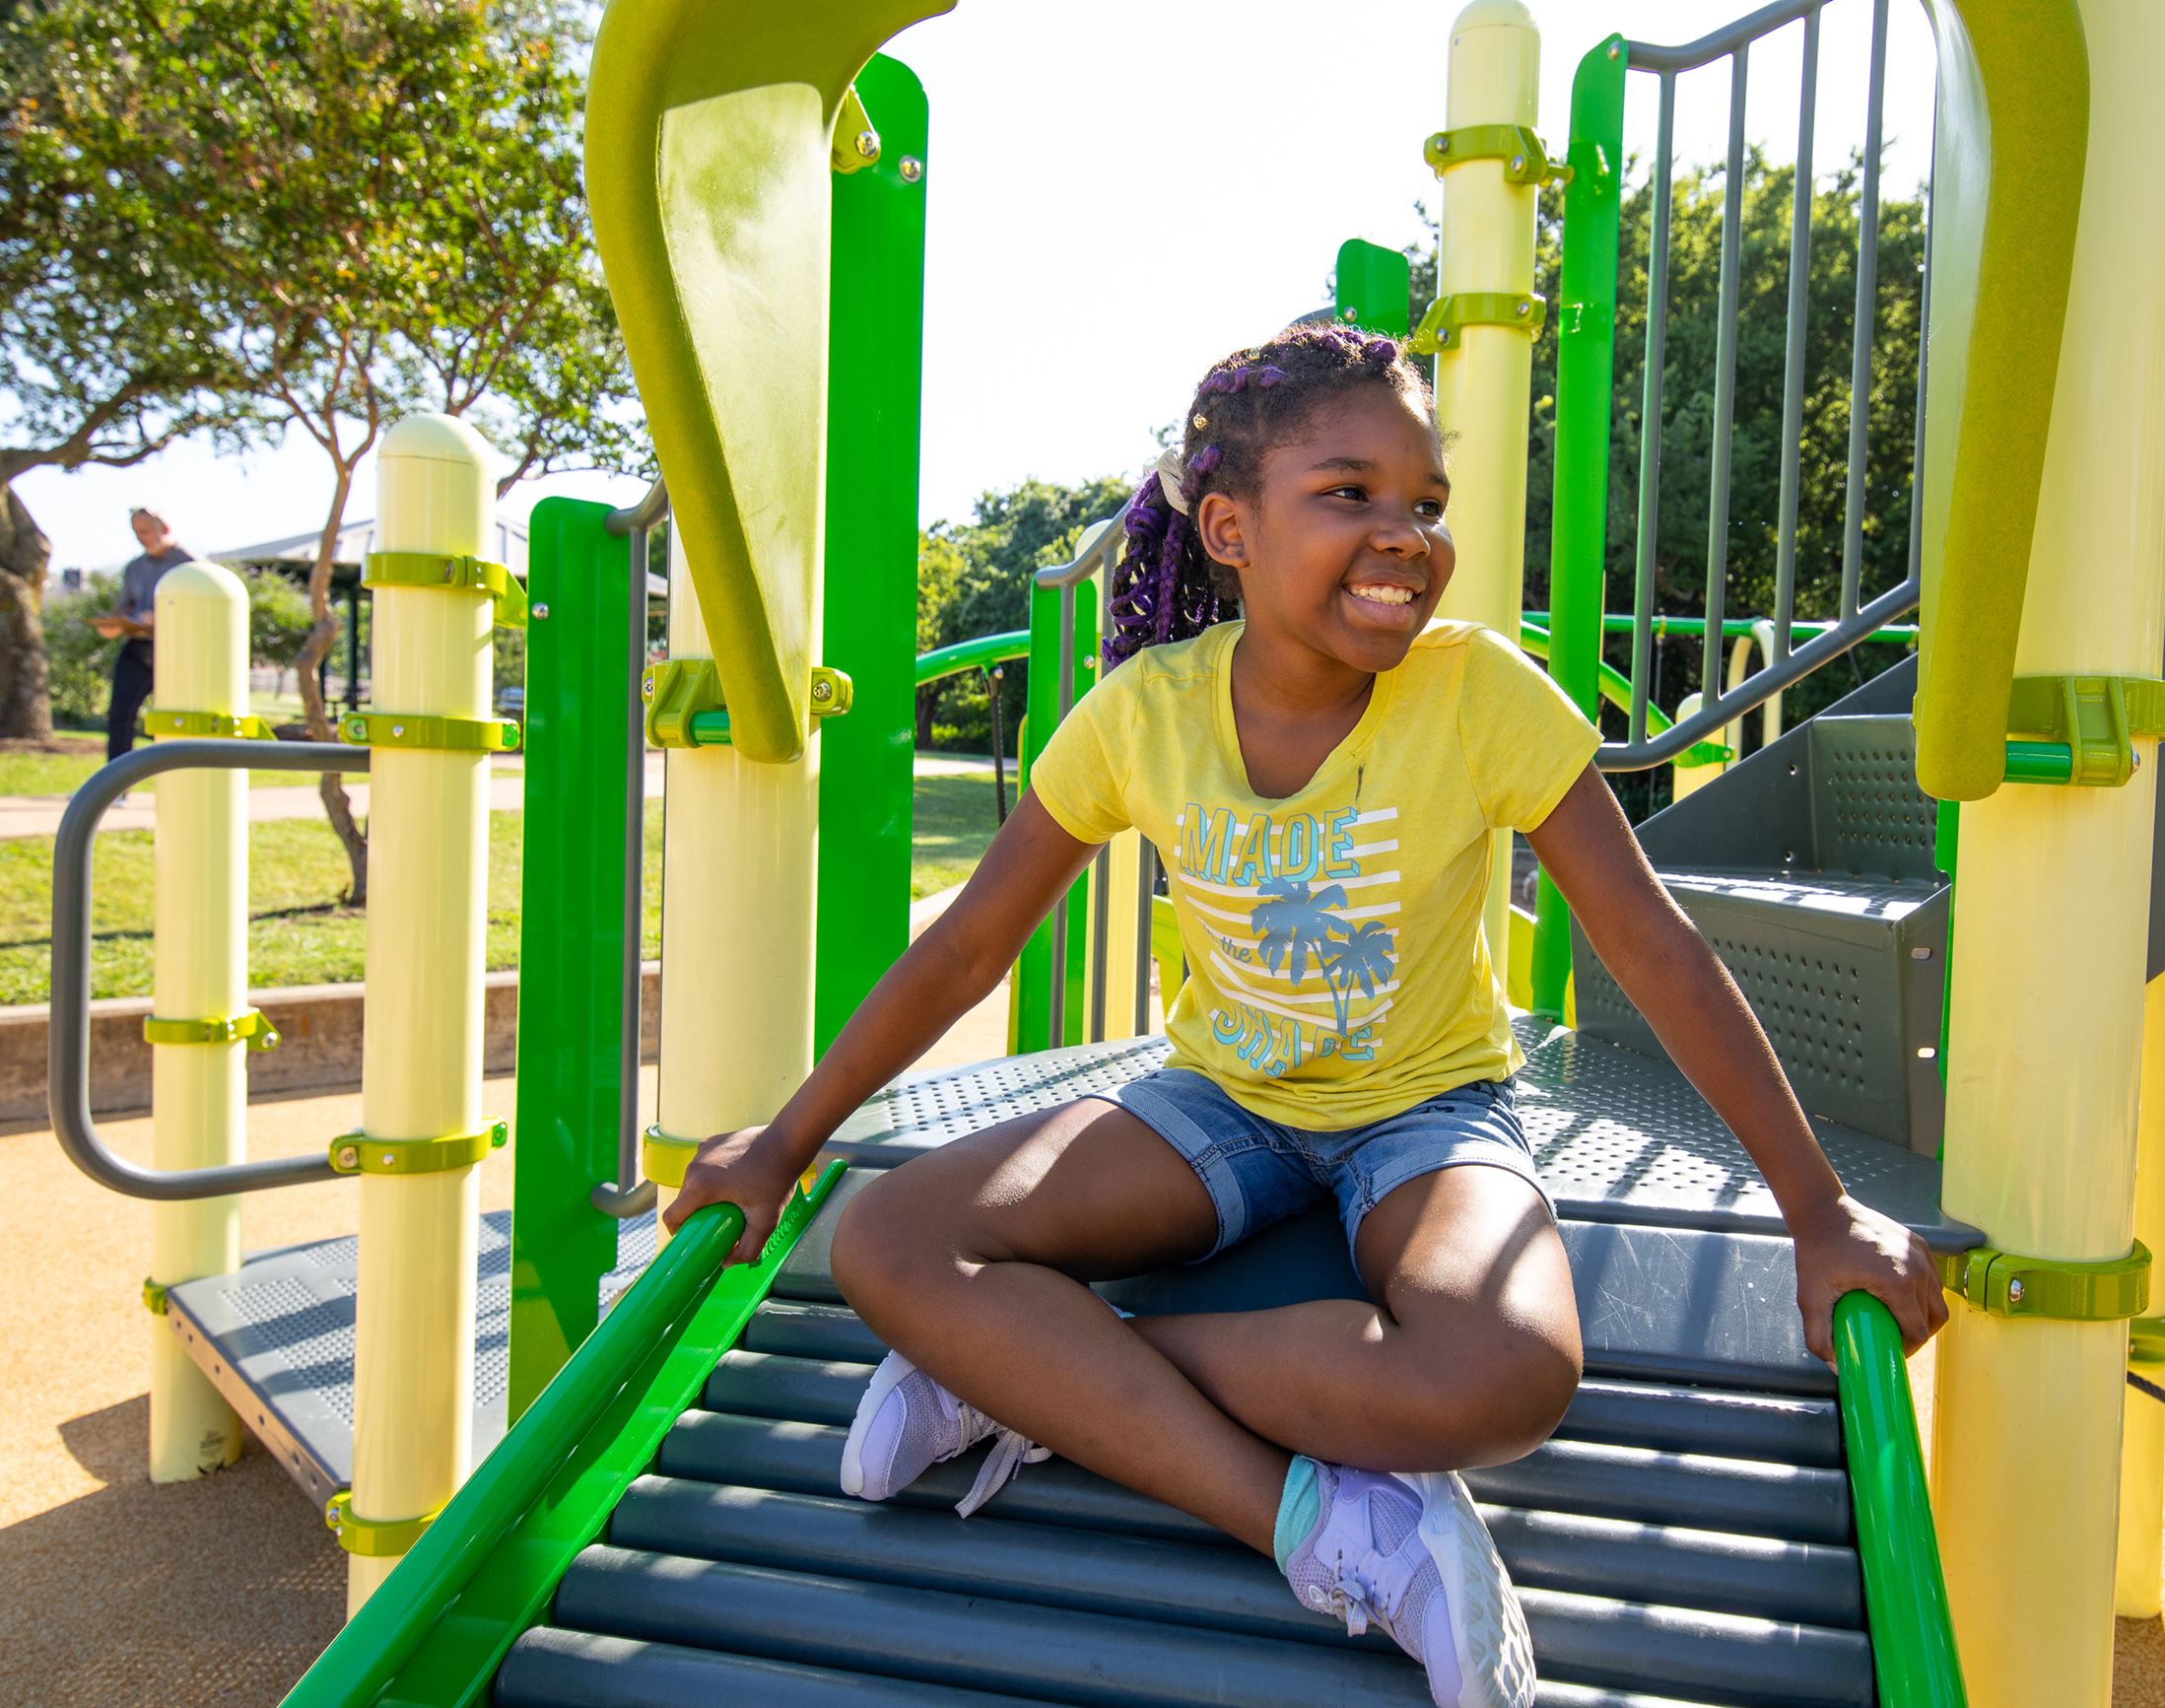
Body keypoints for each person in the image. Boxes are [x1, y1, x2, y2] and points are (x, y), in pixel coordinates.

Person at [663, 323, 1947, 1708]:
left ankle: (1039, 1377)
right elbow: (972, 941)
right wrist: (785, 1140)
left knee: (1503, 1373)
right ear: (1230, 526)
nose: (1405, 533)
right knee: (893, 1239)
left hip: (1426, 1109)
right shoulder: (1144, 716)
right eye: (1349, 492)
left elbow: (1653, 947)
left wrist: (1818, 1209)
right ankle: (1323, 1523)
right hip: (1218, 1103)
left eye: (1426, 502)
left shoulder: (1477, 693)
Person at [90, 508, 190, 760]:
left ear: (163, 528)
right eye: (135, 532)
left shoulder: (189, 565)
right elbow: (125, 606)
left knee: (178, 718)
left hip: (174, 650)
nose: (140, 537)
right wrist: (114, 623)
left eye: (145, 531)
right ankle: (116, 778)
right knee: (120, 715)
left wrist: (164, 616)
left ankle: (180, 775)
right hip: (137, 647)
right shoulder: (134, 568)